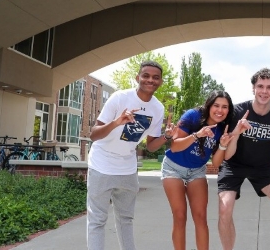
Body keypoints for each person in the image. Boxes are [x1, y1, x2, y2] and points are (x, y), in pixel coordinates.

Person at [87, 60, 174, 250]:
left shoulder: (158, 108)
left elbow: (151, 146)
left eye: (155, 77)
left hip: (127, 168)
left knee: (126, 219)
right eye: (146, 76)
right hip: (101, 163)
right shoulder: (119, 98)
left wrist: (166, 137)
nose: (150, 80)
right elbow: (94, 135)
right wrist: (117, 122)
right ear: (137, 78)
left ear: (160, 82)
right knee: (97, 219)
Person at [217, 67, 270, 250]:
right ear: (253, 88)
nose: (264, 91)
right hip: (234, 165)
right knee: (224, 209)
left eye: (269, 87)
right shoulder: (237, 112)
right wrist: (237, 132)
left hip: (263, 168)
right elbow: (227, 155)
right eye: (260, 86)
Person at [161, 90, 235, 250]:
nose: (220, 110)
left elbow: (216, 163)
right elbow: (174, 146)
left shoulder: (222, 128)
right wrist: (197, 135)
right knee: (180, 216)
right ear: (209, 105)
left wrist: (223, 145)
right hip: (173, 168)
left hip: (197, 171)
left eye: (224, 107)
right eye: (216, 105)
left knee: (200, 217)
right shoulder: (193, 115)